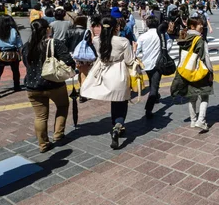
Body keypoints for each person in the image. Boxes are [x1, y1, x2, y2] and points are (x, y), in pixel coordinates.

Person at [81, 17, 135, 149]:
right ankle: (118, 126)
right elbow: (129, 60)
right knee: (121, 102)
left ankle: (114, 124)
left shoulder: (96, 40)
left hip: (105, 73)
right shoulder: (123, 41)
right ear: (116, 27)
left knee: (113, 101)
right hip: (119, 73)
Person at [22, 19, 74, 152]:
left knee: (40, 116)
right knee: (62, 106)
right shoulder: (54, 43)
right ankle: (58, 134)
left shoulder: (27, 46)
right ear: (46, 29)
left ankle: (43, 144)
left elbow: (26, 64)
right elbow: (68, 60)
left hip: (32, 86)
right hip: (53, 84)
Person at [171, 17, 214, 130]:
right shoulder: (199, 39)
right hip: (200, 72)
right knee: (204, 96)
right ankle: (201, 120)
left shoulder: (183, 37)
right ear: (192, 26)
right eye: (199, 24)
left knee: (192, 97)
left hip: (187, 71)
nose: (202, 26)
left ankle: (193, 120)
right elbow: (206, 58)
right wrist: (210, 72)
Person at [136, 15, 172, 119]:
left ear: (147, 24)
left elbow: (137, 50)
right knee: (154, 85)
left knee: (153, 81)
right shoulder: (161, 35)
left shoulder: (143, 36)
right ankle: (148, 108)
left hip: (146, 64)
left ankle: (155, 97)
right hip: (158, 64)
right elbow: (168, 47)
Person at [0, 16, 23, 98]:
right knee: (15, 70)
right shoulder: (14, 31)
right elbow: (19, 44)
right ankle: (17, 86)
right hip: (13, 53)